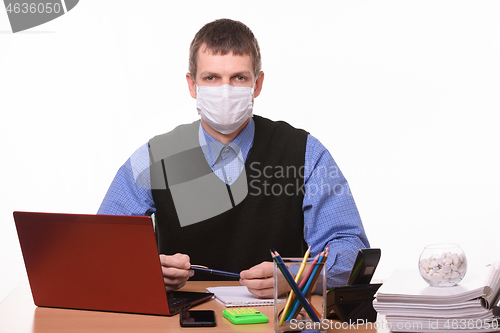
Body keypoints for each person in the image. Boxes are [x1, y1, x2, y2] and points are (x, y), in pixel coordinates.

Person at [98, 18, 369, 299]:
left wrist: (299, 278)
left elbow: (352, 251)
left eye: (239, 78)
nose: (225, 91)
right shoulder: (156, 158)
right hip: (185, 321)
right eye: (211, 78)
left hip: (275, 320)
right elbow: (100, 246)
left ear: (258, 84)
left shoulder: (305, 153)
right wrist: (145, 269)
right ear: (192, 85)